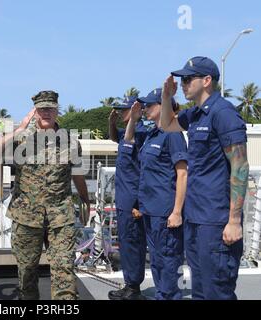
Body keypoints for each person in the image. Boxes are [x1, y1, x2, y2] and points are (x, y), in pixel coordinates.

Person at [0, 90, 90, 300]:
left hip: (60, 216)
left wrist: (86, 200)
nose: (46, 113)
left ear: (57, 110)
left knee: (64, 268)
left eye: (50, 108)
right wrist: (19, 129)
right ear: (35, 111)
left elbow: (78, 175)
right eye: (42, 109)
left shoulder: (70, 141)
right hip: (26, 217)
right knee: (27, 272)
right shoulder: (21, 139)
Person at [160, 56, 249, 300]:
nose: (184, 84)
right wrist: (167, 97)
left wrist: (234, 220)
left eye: (188, 79)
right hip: (196, 218)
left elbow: (240, 167)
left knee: (216, 292)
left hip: (216, 220)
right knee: (200, 292)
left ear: (207, 80)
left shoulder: (223, 113)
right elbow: (167, 124)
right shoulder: (197, 114)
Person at [126, 89, 188, 300]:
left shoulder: (173, 134)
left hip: (165, 212)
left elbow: (182, 174)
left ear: (163, 106)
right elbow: (127, 140)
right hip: (150, 211)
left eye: (150, 105)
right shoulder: (153, 133)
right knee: (158, 262)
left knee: (170, 261)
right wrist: (133, 119)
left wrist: (177, 211)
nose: (145, 109)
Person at [107, 96, 148, 300]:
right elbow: (116, 138)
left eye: (124, 110)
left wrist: (139, 203)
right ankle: (130, 284)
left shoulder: (141, 134)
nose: (121, 112)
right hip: (124, 200)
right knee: (126, 243)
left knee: (133, 243)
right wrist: (111, 123)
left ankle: (134, 287)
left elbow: (144, 171)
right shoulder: (128, 133)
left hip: (132, 201)